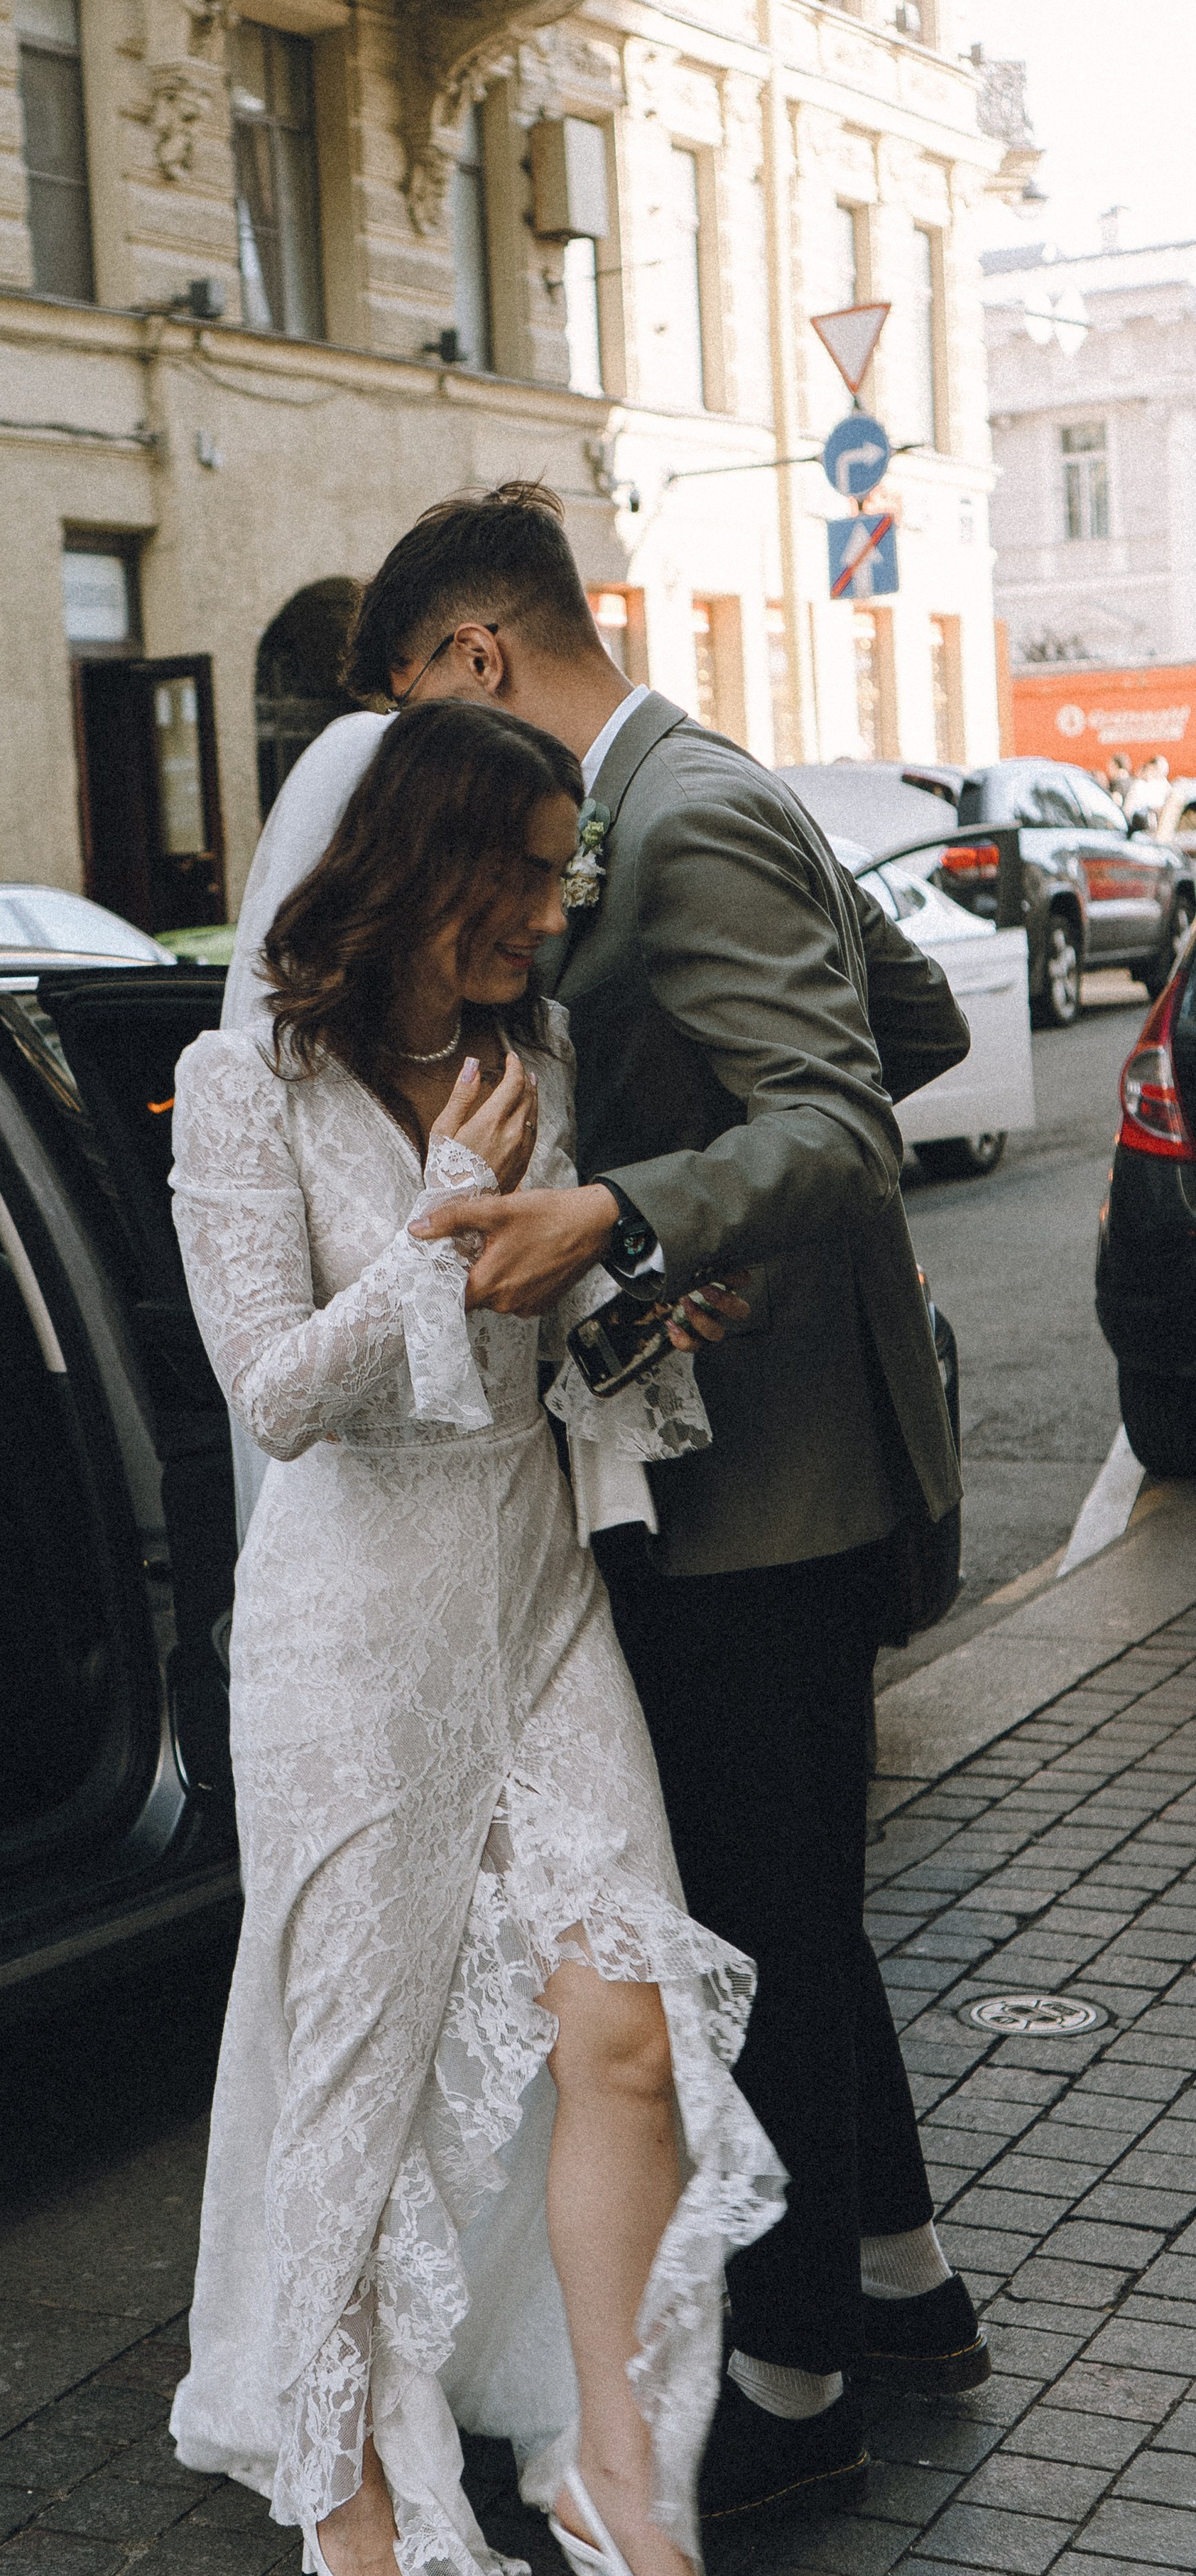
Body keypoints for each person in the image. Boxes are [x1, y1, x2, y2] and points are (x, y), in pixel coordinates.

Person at [224, 483, 986, 2530]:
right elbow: (889, 1023)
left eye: (409, 708)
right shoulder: (700, 807)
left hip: (747, 1494)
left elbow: (836, 1102)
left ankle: (789, 2386)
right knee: (782, 1906)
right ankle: (895, 2292)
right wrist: (646, 1219)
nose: (539, 900)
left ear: (472, 659)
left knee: (756, 1930)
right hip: (591, 1486)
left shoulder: (688, 814)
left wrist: (638, 1201)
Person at [170, 700, 783, 2576]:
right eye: (526, 865)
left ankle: (616, 2469)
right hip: (354, 1638)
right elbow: (273, 1395)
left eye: (560, 863)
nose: (554, 899)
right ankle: (348, 2492)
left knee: (628, 2031)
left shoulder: (547, 1043)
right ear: (424, 863)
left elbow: (524, 1348)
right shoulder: (244, 1083)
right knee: (355, 2073)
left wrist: (643, 1316)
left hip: (531, 1595)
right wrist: (444, 1222)